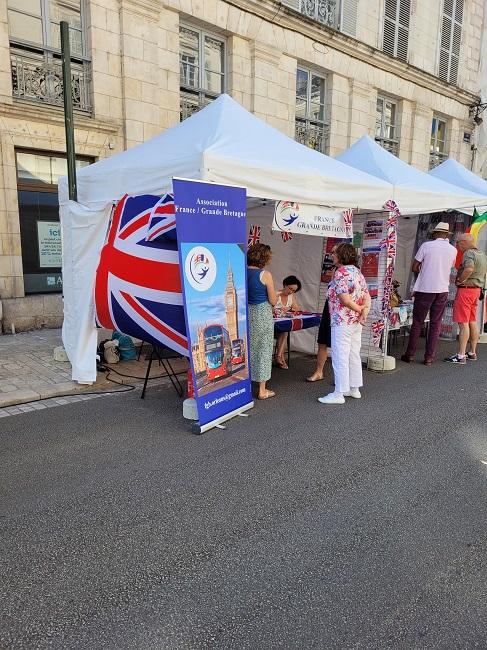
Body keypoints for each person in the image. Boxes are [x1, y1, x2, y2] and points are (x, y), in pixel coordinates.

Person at [318, 243, 370, 405]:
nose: (332, 255)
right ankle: (354, 389)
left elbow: (345, 299)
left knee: (340, 356)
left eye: (334, 253)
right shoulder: (357, 272)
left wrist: (358, 309)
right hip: (355, 322)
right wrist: (363, 312)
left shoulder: (340, 273)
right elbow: (367, 296)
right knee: (353, 354)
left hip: (342, 321)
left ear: (341, 255)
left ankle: (339, 393)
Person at [401, 221, 458, 366]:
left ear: (435, 233)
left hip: (425, 288)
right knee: (435, 323)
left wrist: (424, 270)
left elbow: (415, 266)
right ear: (446, 234)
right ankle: (429, 357)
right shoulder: (453, 250)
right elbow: (449, 266)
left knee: (418, 321)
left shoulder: (426, 246)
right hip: (442, 289)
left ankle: (410, 354)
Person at [444, 233, 487, 364]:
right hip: (476, 290)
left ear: (464, 242)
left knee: (463, 323)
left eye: (458, 243)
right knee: (472, 321)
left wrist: (460, 281)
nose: (458, 246)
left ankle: (461, 355)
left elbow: (469, 268)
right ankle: (472, 352)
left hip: (466, 290)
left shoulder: (468, 253)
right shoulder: (482, 254)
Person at [247, 243, 278, 399]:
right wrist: (277, 295)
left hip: (247, 312)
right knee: (264, 349)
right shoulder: (265, 275)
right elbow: (272, 300)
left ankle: (245, 384)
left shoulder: (242, 272)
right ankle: (262, 390)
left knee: (249, 348)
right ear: (264, 257)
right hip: (262, 313)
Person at [274, 275, 302, 369]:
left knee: (285, 330)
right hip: (271, 325)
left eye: (293, 290)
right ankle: (280, 357)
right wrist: (277, 309)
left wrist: (289, 308)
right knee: (284, 331)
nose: (291, 292)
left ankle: (279, 356)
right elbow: (268, 308)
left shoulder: (291, 296)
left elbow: (297, 308)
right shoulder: (275, 294)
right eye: (290, 288)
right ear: (284, 285)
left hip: (281, 325)